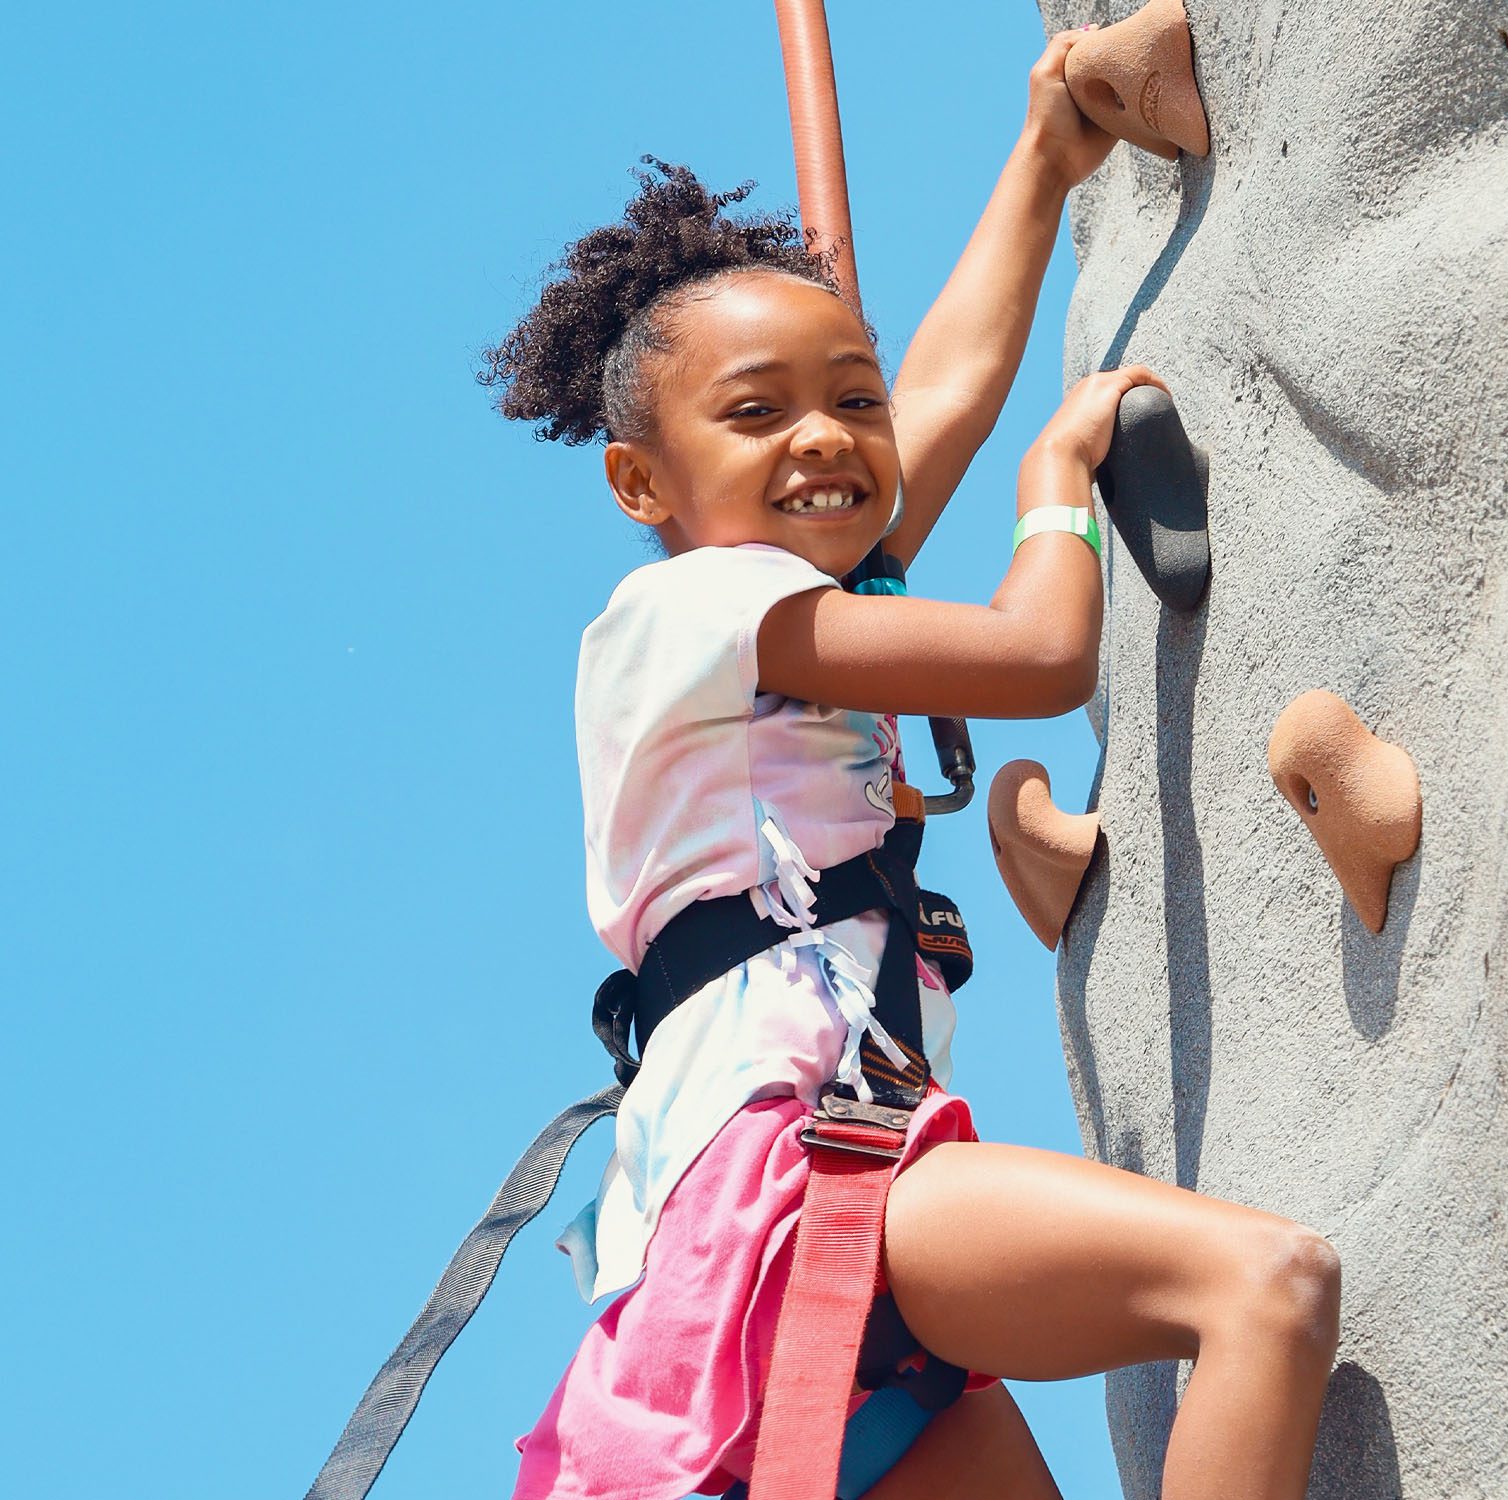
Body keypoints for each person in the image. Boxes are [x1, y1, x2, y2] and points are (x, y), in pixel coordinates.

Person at [484, 33, 1339, 1500]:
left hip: (813, 1184)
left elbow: (933, 397)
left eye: (846, 402)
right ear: (641, 483)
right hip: (785, 1169)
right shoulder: (689, 608)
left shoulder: (788, 611)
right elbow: (1035, 655)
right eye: (756, 414)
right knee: (1260, 1284)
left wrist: (1040, 162)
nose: (824, 438)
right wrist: (1054, 493)